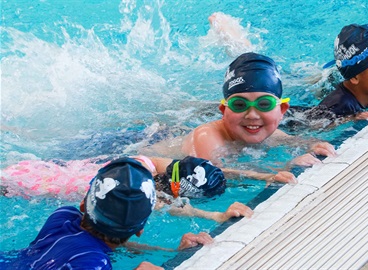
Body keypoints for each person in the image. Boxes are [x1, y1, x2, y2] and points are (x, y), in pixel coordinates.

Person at [1, 157, 213, 269]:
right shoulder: (95, 263)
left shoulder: (62, 217)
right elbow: (102, 249)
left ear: (84, 204)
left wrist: (173, 253)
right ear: (140, 229)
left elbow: (102, 244)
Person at [144, 52, 337, 167]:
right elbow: (214, 175)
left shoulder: (266, 131)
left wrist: (311, 145)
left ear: (282, 109)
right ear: (223, 110)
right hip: (137, 145)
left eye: (264, 104)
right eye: (239, 105)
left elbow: (290, 140)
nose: (252, 115)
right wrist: (282, 168)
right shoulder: (206, 137)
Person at [1, 155, 255, 223]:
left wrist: (265, 175)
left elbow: (181, 170)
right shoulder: (135, 192)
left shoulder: (143, 163)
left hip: (28, 170)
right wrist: (215, 216)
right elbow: (176, 209)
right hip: (22, 189)